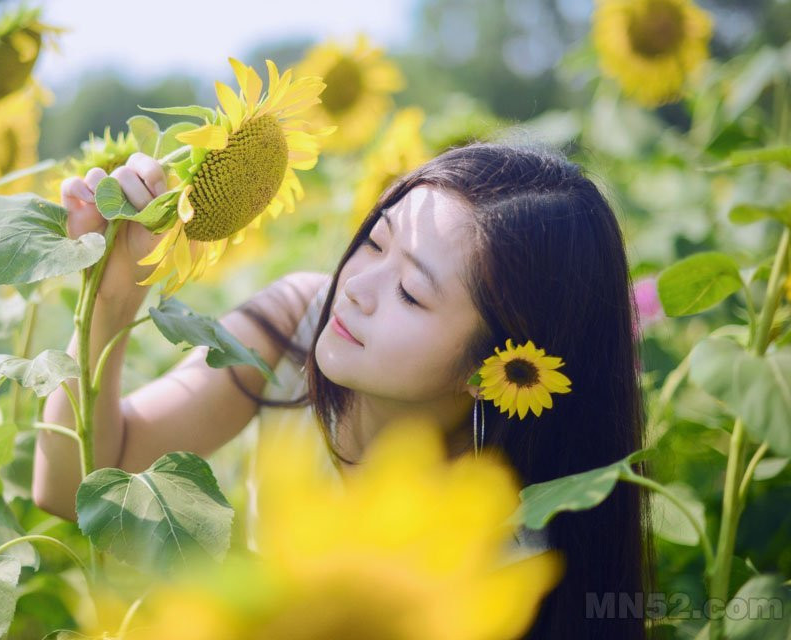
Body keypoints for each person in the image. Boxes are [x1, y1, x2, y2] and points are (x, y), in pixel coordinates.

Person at [34, 142, 653, 640]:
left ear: (501, 366)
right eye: (375, 242)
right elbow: (74, 484)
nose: (356, 286)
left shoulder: (499, 555)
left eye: (412, 292)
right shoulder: (300, 320)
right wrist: (112, 292)